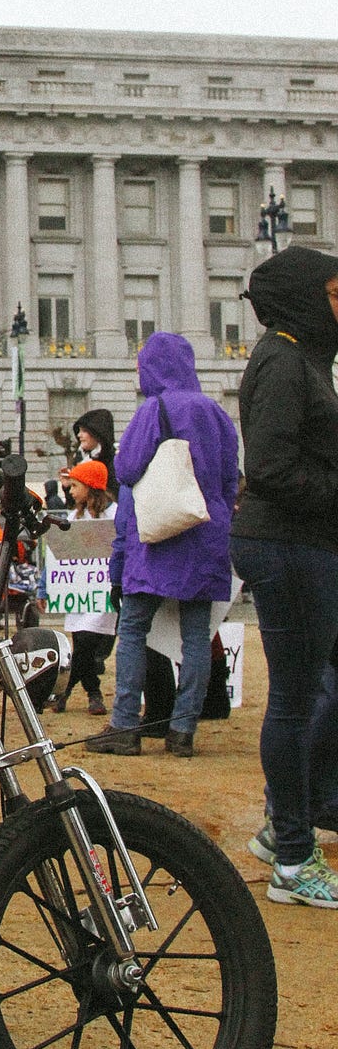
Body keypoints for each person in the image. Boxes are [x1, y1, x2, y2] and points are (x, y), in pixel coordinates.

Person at [230, 244, 338, 908]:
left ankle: (290, 821)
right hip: (289, 545)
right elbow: (269, 466)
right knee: (295, 702)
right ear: (303, 295)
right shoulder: (282, 360)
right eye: (333, 293)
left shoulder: (304, 360)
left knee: (313, 692)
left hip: (306, 543)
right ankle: (293, 856)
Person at [88, 333, 238, 759]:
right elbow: (231, 479)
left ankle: (124, 726)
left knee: (133, 628)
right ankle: (183, 730)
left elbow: (128, 468)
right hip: (206, 533)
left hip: (156, 537)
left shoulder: (153, 409)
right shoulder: (217, 412)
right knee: (196, 637)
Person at [48, 459, 116, 716]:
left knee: (87, 643)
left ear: (91, 487)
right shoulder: (76, 516)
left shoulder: (115, 514)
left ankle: (65, 692)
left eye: (76, 485)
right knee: (82, 644)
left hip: (102, 591)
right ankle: (92, 693)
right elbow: (62, 555)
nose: (71, 490)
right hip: (80, 592)